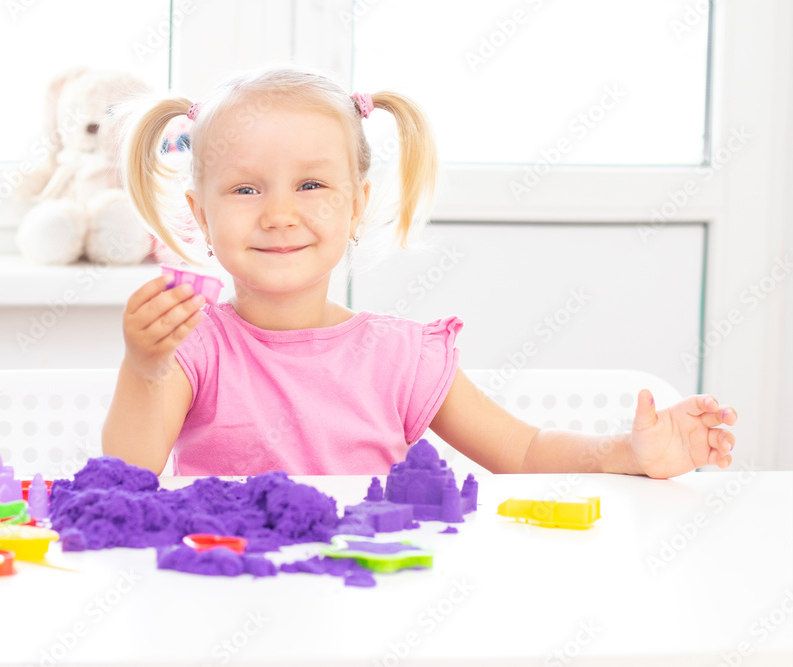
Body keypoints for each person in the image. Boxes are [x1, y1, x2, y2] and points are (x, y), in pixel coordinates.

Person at [102, 64, 737, 478]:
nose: (279, 214)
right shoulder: (194, 350)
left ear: (356, 206)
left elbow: (522, 451)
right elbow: (125, 479)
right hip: (226, 603)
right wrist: (143, 368)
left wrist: (629, 455)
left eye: (311, 184)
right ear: (199, 216)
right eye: (244, 190)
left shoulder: (401, 357)